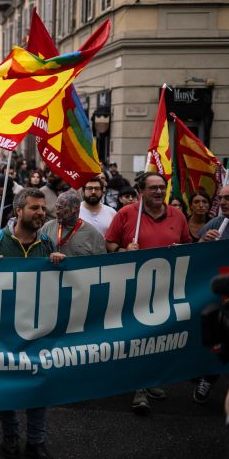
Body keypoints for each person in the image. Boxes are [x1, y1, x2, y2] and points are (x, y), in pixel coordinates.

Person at [0, 188, 55, 459]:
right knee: (7, 383)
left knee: (39, 384)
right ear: (18, 211)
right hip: (3, 326)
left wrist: (58, 263)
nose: (41, 213)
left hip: (37, 326)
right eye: (35, 208)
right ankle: (10, 435)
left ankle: (36, 440)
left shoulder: (46, 243)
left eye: (43, 209)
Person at [105, 172, 191, 414]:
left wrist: (182, 249)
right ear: (141, 191)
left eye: (162, 188)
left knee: (160, 337)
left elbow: (187, 244)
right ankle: (139, 388)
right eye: (153, 188)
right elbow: (108, 244)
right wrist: (123, 250)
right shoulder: (126, 214)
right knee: (138, 337)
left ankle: (151, 381)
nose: (158, 192)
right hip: (133, 289)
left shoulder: (177, 215)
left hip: (166, 288)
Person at [192, 185, 229, 402]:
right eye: (221, 198)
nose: (223, 202)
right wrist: (202, 243)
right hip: (221, 295)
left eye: (228, 198)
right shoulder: (217, 223)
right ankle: (209, 377)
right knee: (218, 340)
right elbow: (196, 255)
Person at [42, 190, 106, 258]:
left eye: (60, 208)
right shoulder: (47, 227)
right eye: (56, 207)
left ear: (74, 209)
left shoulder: (92, 234)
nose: (57, 212)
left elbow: (102, 262)